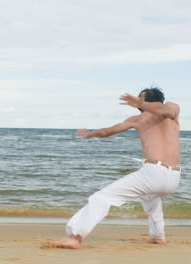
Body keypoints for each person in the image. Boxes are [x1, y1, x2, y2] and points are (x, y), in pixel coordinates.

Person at [50, 87, 181, 249]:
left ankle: (75, 236)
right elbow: (107, 131)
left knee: (101, 197)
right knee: (150, 197)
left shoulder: (169, 108)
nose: (137, 102)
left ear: (149, 101)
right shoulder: (138, 119)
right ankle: (158, 236)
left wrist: (140, 103)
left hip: (154, 172)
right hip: (173, 177)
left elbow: (163, 110)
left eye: (140, 99)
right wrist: (90, 133)